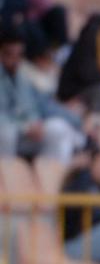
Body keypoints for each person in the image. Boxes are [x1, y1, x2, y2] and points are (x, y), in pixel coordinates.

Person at [0, 27, 87, 162]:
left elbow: (34, 106)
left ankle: (54, 178)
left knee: (58, 128)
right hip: (9, 133)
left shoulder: (22, 76)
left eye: (19, 55)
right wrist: (25, 127)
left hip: (27, 133)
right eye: (9, 54)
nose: (14, 59)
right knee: (5, 133)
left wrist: (35, 123)